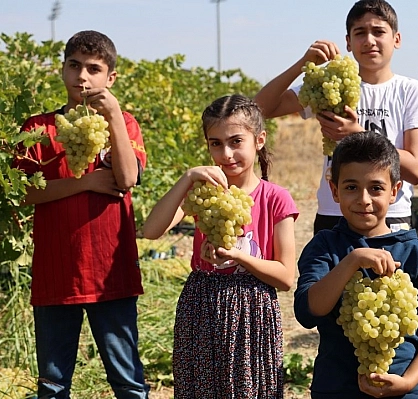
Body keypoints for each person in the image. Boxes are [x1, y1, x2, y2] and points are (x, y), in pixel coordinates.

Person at [11, 30, 149, 398]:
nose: (82, 77)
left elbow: (127, 176)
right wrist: (86, 183)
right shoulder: (37, 129)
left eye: (93, 69)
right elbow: (23, 194)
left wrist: (115, 115)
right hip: (57, 273)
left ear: (110, 78)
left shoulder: (124, 125)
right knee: (53, 385)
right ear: (63, 70)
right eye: (74, 66)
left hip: (110, 273)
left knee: (128, 382)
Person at [141, 94, 298, 399]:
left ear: (259, 140)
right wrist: (187, 178)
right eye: (215, 143)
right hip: (201, 306)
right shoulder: (203, 193)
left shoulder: (276, 198)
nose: (226, 154)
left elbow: (285, 277)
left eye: (236, 141)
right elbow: (151, 230)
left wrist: (239, 256)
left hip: (252, 312)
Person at [294, 131, 418, 398]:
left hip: (404, 391)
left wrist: (409, 381)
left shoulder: (417, 254)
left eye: (376, 188)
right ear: (334, 191)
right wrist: (353, 260)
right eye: (351, 187)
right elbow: (308, 311)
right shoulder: (325, 246)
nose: (364, 199)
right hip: (337, 390)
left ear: (394, 191)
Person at [254, 0, 418, 234]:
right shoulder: (329, 84)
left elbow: (416, 170)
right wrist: (302, 65)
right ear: (348, 42)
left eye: (379, 32)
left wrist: (358, 134)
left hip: (390, 216)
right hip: (334, 215)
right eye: (360, 33)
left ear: (396, 39)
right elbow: (257, 110)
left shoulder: (410, 91)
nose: (370, 40)